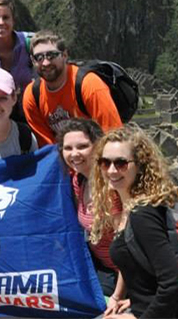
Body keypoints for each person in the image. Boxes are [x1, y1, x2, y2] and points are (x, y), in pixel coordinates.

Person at [90, 126, 178, 319]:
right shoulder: (129, 207)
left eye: (121, 163)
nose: (111, 170)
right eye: (105, 162)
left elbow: (174, 283)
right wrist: (132, 301)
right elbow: (148, 276)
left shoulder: (143, 214)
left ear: (140, 164)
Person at [55, 119, 129, 316]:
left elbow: (128, 249)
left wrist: (117, 296)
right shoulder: (79, 181)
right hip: (104, 270)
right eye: (68, 148)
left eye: (82, 146)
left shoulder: (111, 188)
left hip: (129, 276)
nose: (74, 154)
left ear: (97, 147)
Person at [22, 31, 122, 147]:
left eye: (52, 55)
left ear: (64, 55)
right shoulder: (32, 95)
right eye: (39, 57)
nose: (45, 63)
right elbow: (46, 145)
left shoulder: (89, 85)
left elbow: (113, 135)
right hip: (64, 156)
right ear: (33, 61)